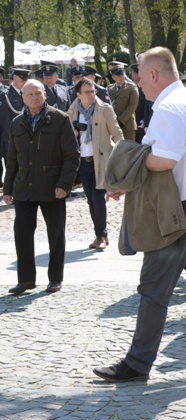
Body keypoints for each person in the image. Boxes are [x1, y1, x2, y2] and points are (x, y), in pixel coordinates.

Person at [94, 47, 186, 382]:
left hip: (174, 214)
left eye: (140, 74)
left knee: (153, 291)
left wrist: (129, 162)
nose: (136, 81)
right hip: (177, 206)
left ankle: (136, 365)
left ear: (153, 75)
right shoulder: (181, 100)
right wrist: (131, 179)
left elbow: (164, 160)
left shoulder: (170, 106)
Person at [2, 79, 79, 295]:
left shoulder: (59, 119)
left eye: (38, 93)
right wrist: (7, 189)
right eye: (30, 94)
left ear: (45, 95)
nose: (35, 97)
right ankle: (25, 280)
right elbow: (12, 159)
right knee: (22, 233)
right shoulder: (16, 123)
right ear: (23, 98)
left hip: (52, 187)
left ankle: (55, 278)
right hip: (24, 187)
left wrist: (65, 184)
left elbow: (72, 156)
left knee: (56, 234)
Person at [66, 78, 123, 250]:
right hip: (83, 161)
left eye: (93, 91)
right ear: (78, 94)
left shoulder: (104, 109)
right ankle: (101, 234)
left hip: (101, 162)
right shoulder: (71, 111)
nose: (91, 95)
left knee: (98, 199)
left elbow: (117, 134)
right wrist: (74, 132)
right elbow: (66, 138)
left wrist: (122, 156)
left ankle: (100, 235)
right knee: (91, 200)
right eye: (87, 92)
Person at [0, 68, 29, 163]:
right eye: (22, 79)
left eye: (25, 80)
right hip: (13, 143)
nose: (24, 82)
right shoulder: (5, 95)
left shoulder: (26, 94)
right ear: (14, 78)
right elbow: (6, 124)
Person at [108, 66, 139, 140]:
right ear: (113, 77)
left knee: (129, 149)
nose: (121, 77)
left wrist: (121, 121)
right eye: (118, 76)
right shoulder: (109, 88)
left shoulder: (131, 88)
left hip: (127, 126)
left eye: (122, 75)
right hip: (113, 125)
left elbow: (132, 106)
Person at [130, 63, 153, 143]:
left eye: (136, 73)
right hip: (131, 123)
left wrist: (144, 120)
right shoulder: (129, 87)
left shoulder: (147, 88)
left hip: (142, 123)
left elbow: (148, 105)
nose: (134, 75)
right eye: (134, 73)